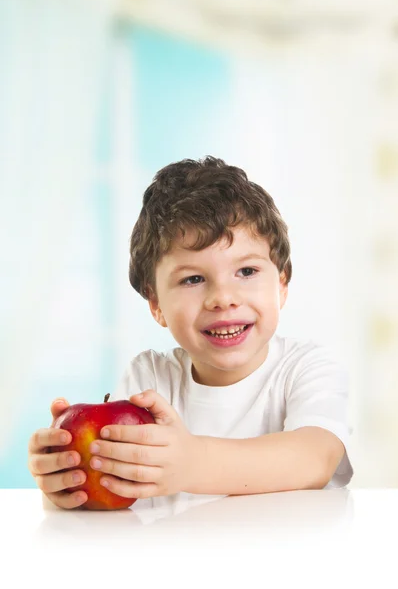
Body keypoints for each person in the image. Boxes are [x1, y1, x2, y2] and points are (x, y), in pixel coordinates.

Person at [27, 156, 353, 510]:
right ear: (156, 305)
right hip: (176, 563)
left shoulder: (306, 368)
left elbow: (316, 458)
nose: (223, 298)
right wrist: (68, 480)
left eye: (246, 271)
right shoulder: (149, 379)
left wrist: (192, 462)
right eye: (193, 279)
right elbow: (116, 490)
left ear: (282, 284)